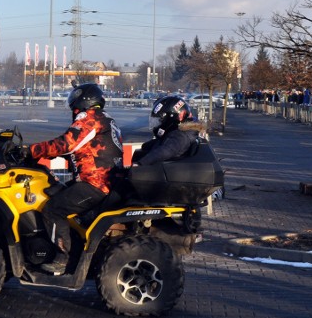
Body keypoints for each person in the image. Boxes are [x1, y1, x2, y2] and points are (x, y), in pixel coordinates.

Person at [28, 83, 124, 274]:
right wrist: (49, 154)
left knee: (53, 209)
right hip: (106, 181)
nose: (73, 109)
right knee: (56, 191)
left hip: (95, 183)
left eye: (74, 105)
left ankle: (63, 259)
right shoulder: (107, 119)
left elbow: (67, 144)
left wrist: (32, 150)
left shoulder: (89, 118)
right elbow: (84, 150)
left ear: (83, 101)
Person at [132, 95, 201, 166]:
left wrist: (141, 163)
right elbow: (164, 141)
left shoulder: (180, 136)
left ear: (171, 119)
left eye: (160, 121)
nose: (158, 124)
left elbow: (165, 151)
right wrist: (147, 146)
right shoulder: (179, 132)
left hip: (166, 170)